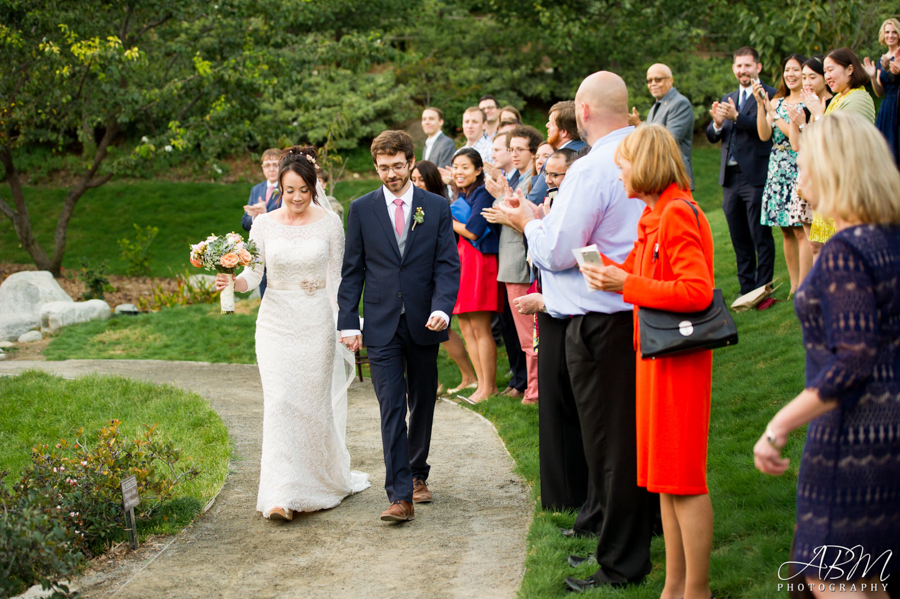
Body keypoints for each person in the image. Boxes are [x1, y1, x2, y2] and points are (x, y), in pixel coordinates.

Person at [500, 71, 650, 591]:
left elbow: (558, 251)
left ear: (582, 112)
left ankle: (620, 565)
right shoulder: (641, 153)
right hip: (632, 313)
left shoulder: (592, 169)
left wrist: (528, 224)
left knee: (610, 447)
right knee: (623, 441)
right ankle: (621, 535)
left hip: (600, 322)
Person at [754, 112, 900, 595]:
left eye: (806, 164)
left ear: (834, 170)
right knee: (872, 578)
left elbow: (852, 360)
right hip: (890, 432)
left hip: (855, 439)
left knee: (831, 578)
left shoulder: (846, 250)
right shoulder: (889, 240)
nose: (800, 176)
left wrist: (779, 425)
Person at [581, 124, 715, 599]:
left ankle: (696, 590)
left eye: (622, 167)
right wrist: (606, 271)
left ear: (645, 166)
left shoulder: (677, 213)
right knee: (662, 478)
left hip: (678, 362)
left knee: (683, 479)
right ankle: (673, 586)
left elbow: (696, 292)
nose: (619, 177)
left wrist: (624, 286)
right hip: (654, 359)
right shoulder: (652, 215)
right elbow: (639, 274)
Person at [216, 146, 369, 521]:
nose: (297, 197)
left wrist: (346, 322)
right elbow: (254, 274)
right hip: (275, 323)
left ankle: (316, 483)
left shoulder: (330, 223)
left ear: (314, 187)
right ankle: (281, 494)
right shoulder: (264, 224)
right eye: (290, 190)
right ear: (278, 190)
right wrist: (233, 281)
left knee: (312, 404)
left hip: (316, 321)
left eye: (304, 189)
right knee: (280, 402)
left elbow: (338, 279)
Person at [338, 131, 460, 523]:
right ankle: (400, 495)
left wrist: (443, 307)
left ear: (410, 162)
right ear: (375, 166)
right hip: (380, 323)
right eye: (383, 167)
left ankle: (418, 471)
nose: (391, 173)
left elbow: (447, 265)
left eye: (397, 166)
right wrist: (347, 322)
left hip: (425, 320)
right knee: (390, 406)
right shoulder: (360, 209)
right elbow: (352, 270)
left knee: (422, 399)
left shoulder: (437, 207)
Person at [706, 46, 777, 295]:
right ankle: (746, 288)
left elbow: (764, 134)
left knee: (761, 235)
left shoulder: (771, 94)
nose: (742, 70)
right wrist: (716, 123)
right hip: (730, 178)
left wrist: (737, 117)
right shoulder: (729, 97)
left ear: (758, 67)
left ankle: (763, 288)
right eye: (738, 66)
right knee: (739, 238)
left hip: (755, 175)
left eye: (747, 65)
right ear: (734, 69)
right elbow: (714, 136)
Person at [483, 125, 544, 405]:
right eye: (512, 149)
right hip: (509, 260)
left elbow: (525, 221)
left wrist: (499, 207)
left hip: (521, 262)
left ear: (532, 151)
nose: (515, 154)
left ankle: (534, 391)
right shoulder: (518, 179)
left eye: (520, 149)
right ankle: (528, 385)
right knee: (521, 334)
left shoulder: (534, 181)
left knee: (528, 333)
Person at [411, 160, 478, 396]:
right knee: (426, 329)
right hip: (416, 274)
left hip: (436, 274)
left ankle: (468, 376)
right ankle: (436, 381)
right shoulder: (412, 205)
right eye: (414, 179)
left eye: (422, 179)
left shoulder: (441, 206)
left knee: (442, 327)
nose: (417, 184)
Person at [804, 48, 876, 248]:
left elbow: (839, 141)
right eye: (825, 72)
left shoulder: (858, 99)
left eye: (830, 70)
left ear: (850, 69)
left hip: (851, 186)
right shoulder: (838, 98)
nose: (827, 77)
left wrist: (818, 114)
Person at [754, 53, 811, 295]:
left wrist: (774, 113)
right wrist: (761, 106)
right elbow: (764, 135)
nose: (791, 74)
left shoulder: (808, 102)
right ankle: (794, 283)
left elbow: (792, 135)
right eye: (787, 70)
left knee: (800, 227)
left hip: (798, 164)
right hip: (777, 167)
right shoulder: (776, 101)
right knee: (785, 230)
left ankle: (807, 284)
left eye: (796, 70)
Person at [450, 148, 503, 403]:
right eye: (455, 167)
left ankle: (488, 387)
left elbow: (473, 231)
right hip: (464, 260)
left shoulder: (482, 193)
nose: (459, 172)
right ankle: (480, 385)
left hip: (480, 261)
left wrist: (445, 219)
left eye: (465, 167)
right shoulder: (463, 193)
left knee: (480, 327)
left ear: (478, 170)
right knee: (466, 327)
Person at [784, 55, 833, 261]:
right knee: (813, 243)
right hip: (807, 177)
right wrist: (796, 121)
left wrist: (805, 124)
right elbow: (796, 145)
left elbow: (826, 144)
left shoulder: (831, 104)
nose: (806, 83)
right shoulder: (807, 106)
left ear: (824, 78)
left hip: (825, 178)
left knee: (825, 241)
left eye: (812, 77)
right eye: (804, 78)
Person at [629, 63, 695, 188]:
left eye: (658, 79)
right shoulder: (656, 106)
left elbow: (668, 139)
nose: (653, 83)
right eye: (649, 80)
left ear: (670, 81)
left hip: (674, 176)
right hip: (658, 177)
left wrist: (639, 125)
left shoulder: (680, 103)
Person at [527, 101, 587, 205]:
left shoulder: (556, 159)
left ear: (564, 131)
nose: (547, 125)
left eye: (551, 123)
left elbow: (535, 200)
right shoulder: (590, 149)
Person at [241, 148, 282, 298]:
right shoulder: (256, 189)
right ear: (262, 167)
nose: (271, 169)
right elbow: (245, 223)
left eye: (275, 164)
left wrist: (264, 215)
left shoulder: (288, 189)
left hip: (279, 250)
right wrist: (255, 217)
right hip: (260, 252)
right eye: (267, 165)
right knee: (265, 294)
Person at [864, 18, 900, 164]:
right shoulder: (882, 59)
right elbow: (879, 92)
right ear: (883, 35)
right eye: (887, 32)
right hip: (886, 108)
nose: (890, 35)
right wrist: (872, 77)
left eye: (894, 32)